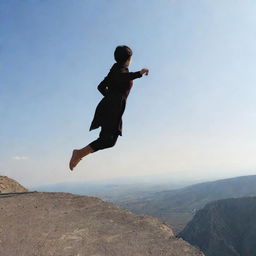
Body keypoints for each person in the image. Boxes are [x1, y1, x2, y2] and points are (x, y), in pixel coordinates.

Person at [69, 45, 149, 171]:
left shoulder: (115, 69)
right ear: (128, 58)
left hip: (112, 106)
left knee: (110, 141)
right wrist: (139, 74)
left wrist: (111, 97)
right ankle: (78, 153)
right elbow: (122, 78)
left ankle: (79, 153)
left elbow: (101, 86)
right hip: (112, 108)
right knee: (108, 140)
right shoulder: (119, 70)